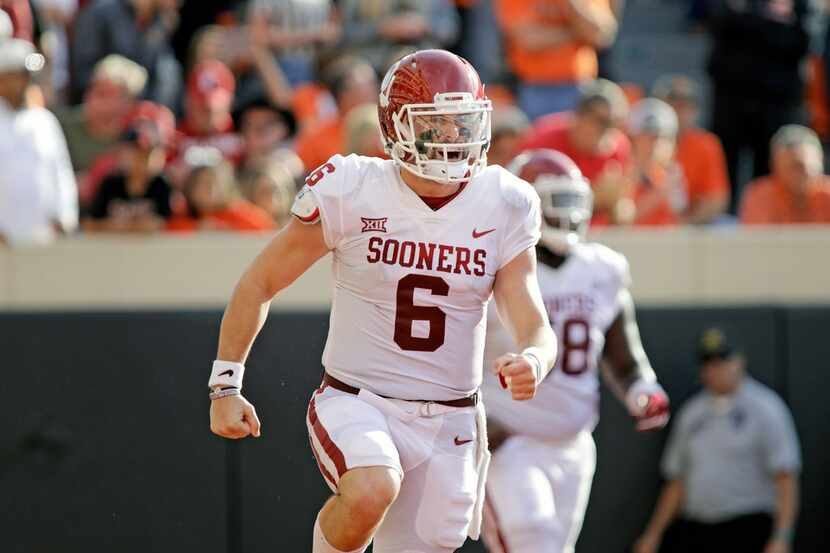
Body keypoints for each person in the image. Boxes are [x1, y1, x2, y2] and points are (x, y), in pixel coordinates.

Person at [207, 49, 558, 553]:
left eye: (463, 124)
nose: (453, 141)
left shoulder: (505, 201)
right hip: (359, 399)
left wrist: (534, 360)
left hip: (453, 417)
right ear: (396, 128)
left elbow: (533, 322)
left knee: (431, 540)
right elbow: (260, 281)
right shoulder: (353, 188)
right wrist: (225, 384)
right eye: (436, 127)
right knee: (372, 488)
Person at [480, 149, 670, 553]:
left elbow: (622, 353)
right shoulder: (495, 265)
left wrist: (642, 390)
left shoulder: (601, 269)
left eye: (571, 200)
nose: (566, 214)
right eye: (555, 201)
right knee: (535, 542)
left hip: (575, 443)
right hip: (511, 438)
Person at [634, 327, 800, 553]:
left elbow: (786, 478)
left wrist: (781, 537)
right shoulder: (691, 414)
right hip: (698, 527)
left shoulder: (766, 409)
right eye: (708, 363)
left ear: (739, 361)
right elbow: (677, 481)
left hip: (747, 526)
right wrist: (653, 535)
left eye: (721, 361)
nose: (714, 370)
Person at [705, 0, 810, 213]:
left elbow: (800, 41)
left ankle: (767, 220)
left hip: (775, 101)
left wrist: (749, 23)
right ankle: (726, 217)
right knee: (726, 166)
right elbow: (720, 26)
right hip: (732, 98)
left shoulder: (801, 5)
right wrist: (771, 24)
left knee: (768, 168)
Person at [517, 79, 631, 225]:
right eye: (601, 121)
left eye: (615, 123)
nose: (608, 131)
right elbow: (519, 204)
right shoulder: (543, 140)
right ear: (579, 117)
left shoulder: (619, 148)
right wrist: (594, 198)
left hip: (596, 237)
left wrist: (615, 203)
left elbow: (623, 216)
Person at [0, 39, 78, 246]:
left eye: (26, 75)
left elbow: (61, 171)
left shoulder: (45, 121)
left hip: (42, 237)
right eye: (16, 75)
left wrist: (66, 216)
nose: (24, 81)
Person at [496, 0, 618, 120]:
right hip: (533, 88)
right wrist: (578, 33)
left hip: (580, 86)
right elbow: (528, 40)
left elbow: (601, 34)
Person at [71, 0, 182, 108]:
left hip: (138, 114)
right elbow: (83, 73)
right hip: (99, 111)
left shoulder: (159, 23)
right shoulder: (102, 11)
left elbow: (157, 79)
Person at [83, 105, 175, 233]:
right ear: (123, 153)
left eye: (147, 154)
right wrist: (130, 228)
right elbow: (89, 224)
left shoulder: (162, 185)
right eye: (136, 154)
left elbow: (169, 225)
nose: (141, 161)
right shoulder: (110, 184)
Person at [652, 74, 729, 225]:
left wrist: (684, 226)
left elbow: (717, 200)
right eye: (674, 99)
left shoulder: (706, 144)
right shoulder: (639, 138)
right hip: (648, 226)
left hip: (692, 226)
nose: (682, 108)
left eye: (689, 102)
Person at [55, 54, 148, 176]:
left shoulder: (137, 135)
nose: (92, 98)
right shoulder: (62, 126)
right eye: (92, 88)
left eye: (103, 94)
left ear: (127, 103)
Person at [293, 56, 378, 172]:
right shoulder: (317, 140)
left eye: (374, 86)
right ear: (342, 96)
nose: (374, 93)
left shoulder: (393, 132)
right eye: (365, 89)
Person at [338, 0, 460, 75]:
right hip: (369, 62)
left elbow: (451, 31)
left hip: (424, 59)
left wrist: (423, 25)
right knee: (359, 78)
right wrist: (381, 28)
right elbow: (343, 33)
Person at [166, 150, 275, 233]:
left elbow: (266, 232)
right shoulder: (181, 218)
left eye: (214, 181)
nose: (209, 188)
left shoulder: (246, 214)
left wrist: (230, 232)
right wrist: (197, 229)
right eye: (201, 182)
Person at [740, 124, 830, 224]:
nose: (801, 173)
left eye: (804, 166)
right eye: (793, 167)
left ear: (820, 162)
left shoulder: (827, 193)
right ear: (775, 166)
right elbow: (756, 237)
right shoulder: (759, 196)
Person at [627, 98, 688, 226]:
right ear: (633, 139)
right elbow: (621, 222)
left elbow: (680, 220)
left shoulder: (671, 174)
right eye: (649, 136)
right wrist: (658, 194)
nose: (655, 144)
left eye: (663, 137)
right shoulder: (622, 171)